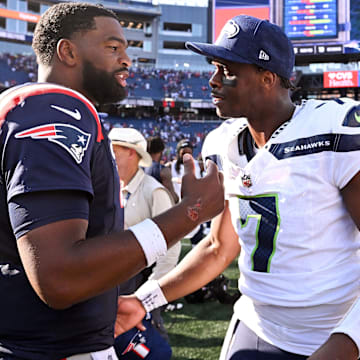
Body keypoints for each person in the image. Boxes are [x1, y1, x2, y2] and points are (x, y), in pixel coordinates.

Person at [115, 15, 360, 360]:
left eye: (227, 71)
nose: (213, 81)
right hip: (259, 326)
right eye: (214, 68)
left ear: (267, 78)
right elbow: (218, 248)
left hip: (334, 329)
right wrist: (145, 299)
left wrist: (347, 343)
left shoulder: (334, 130)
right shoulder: (222, 144)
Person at [0, 3, 224, 360]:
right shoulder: (55, 111)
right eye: (112, 47)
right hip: (49, 348)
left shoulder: (34, 109)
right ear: (67, 51)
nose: (127, 61)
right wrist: (192, 212)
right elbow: (59, 276)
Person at [109, 127, 180, 343]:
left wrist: (149, 294)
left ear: (132, 153)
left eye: (113, 151)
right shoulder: (110, 188)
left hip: (139, 287)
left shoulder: (153, 191)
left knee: (148, 346)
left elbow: (170, 249)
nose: (107, 158)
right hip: (110, 286)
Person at [168, 139, 205, 246]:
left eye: (189, 152)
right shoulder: (171, 166)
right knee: (173, 245)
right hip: (176, 211)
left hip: (195, 210)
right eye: (183, 153)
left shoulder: (199, 166)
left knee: (197, 244)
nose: (186, 155)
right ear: (178, 153)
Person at [145, 135, 179, 204]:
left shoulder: (137, 167)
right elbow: (172, 197)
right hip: (157, 210)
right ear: (161, 150)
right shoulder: (163, 171)